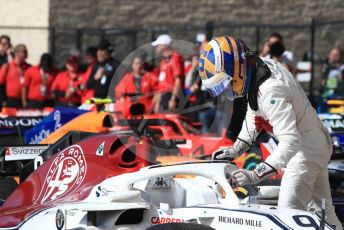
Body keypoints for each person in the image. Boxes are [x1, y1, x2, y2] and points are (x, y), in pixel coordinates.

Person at [200, 36, 342, 229]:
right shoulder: (258, 69)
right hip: (312, 144)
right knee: (323, 213)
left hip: (304, 150)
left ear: (237, 69)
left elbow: (291, 141)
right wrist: (235, 149)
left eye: (225, 83)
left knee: (288, 215)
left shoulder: (270, 90)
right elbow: (255, 114)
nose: (226, 89)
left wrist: (254, 175)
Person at [152, 34, 184, 112]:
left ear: (164, 46)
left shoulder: (175, 58)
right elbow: (161, 83)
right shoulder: (163, 61)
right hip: (163, 97)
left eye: (158, 45)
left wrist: (173, 99)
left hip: (170, 95)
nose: (157, 48)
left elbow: (178, 81)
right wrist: (157, 102)